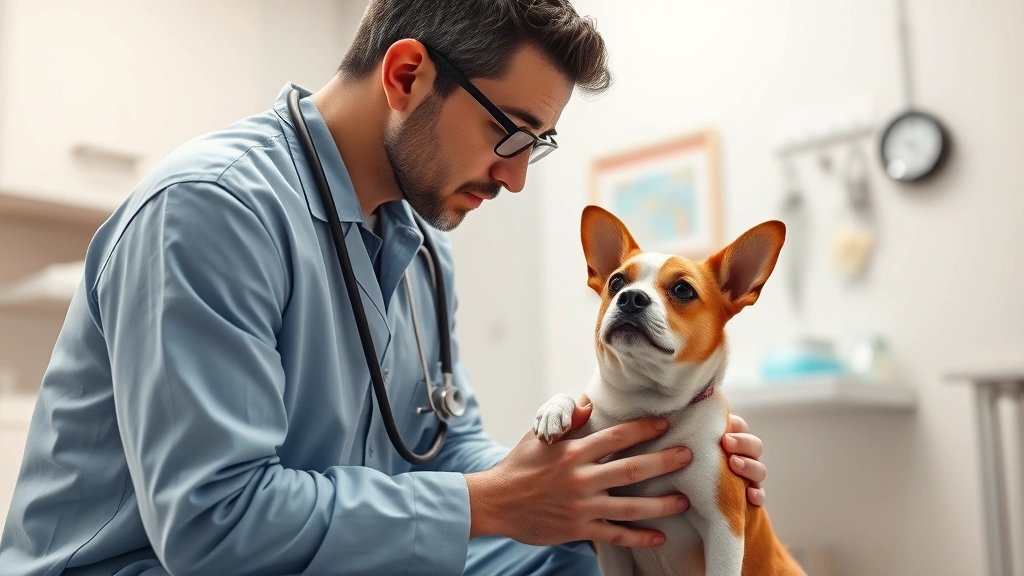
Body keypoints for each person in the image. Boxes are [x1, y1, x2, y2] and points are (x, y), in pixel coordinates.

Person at [0, 1, 768, 574]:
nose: (515, 176)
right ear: (407, 75)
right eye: (511, 133)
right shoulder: (212, 211)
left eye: (537, 146)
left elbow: (443, 445)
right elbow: (214, 524)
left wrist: (602, 486)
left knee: (575, 561)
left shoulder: (421, 244)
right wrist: (496, 503)